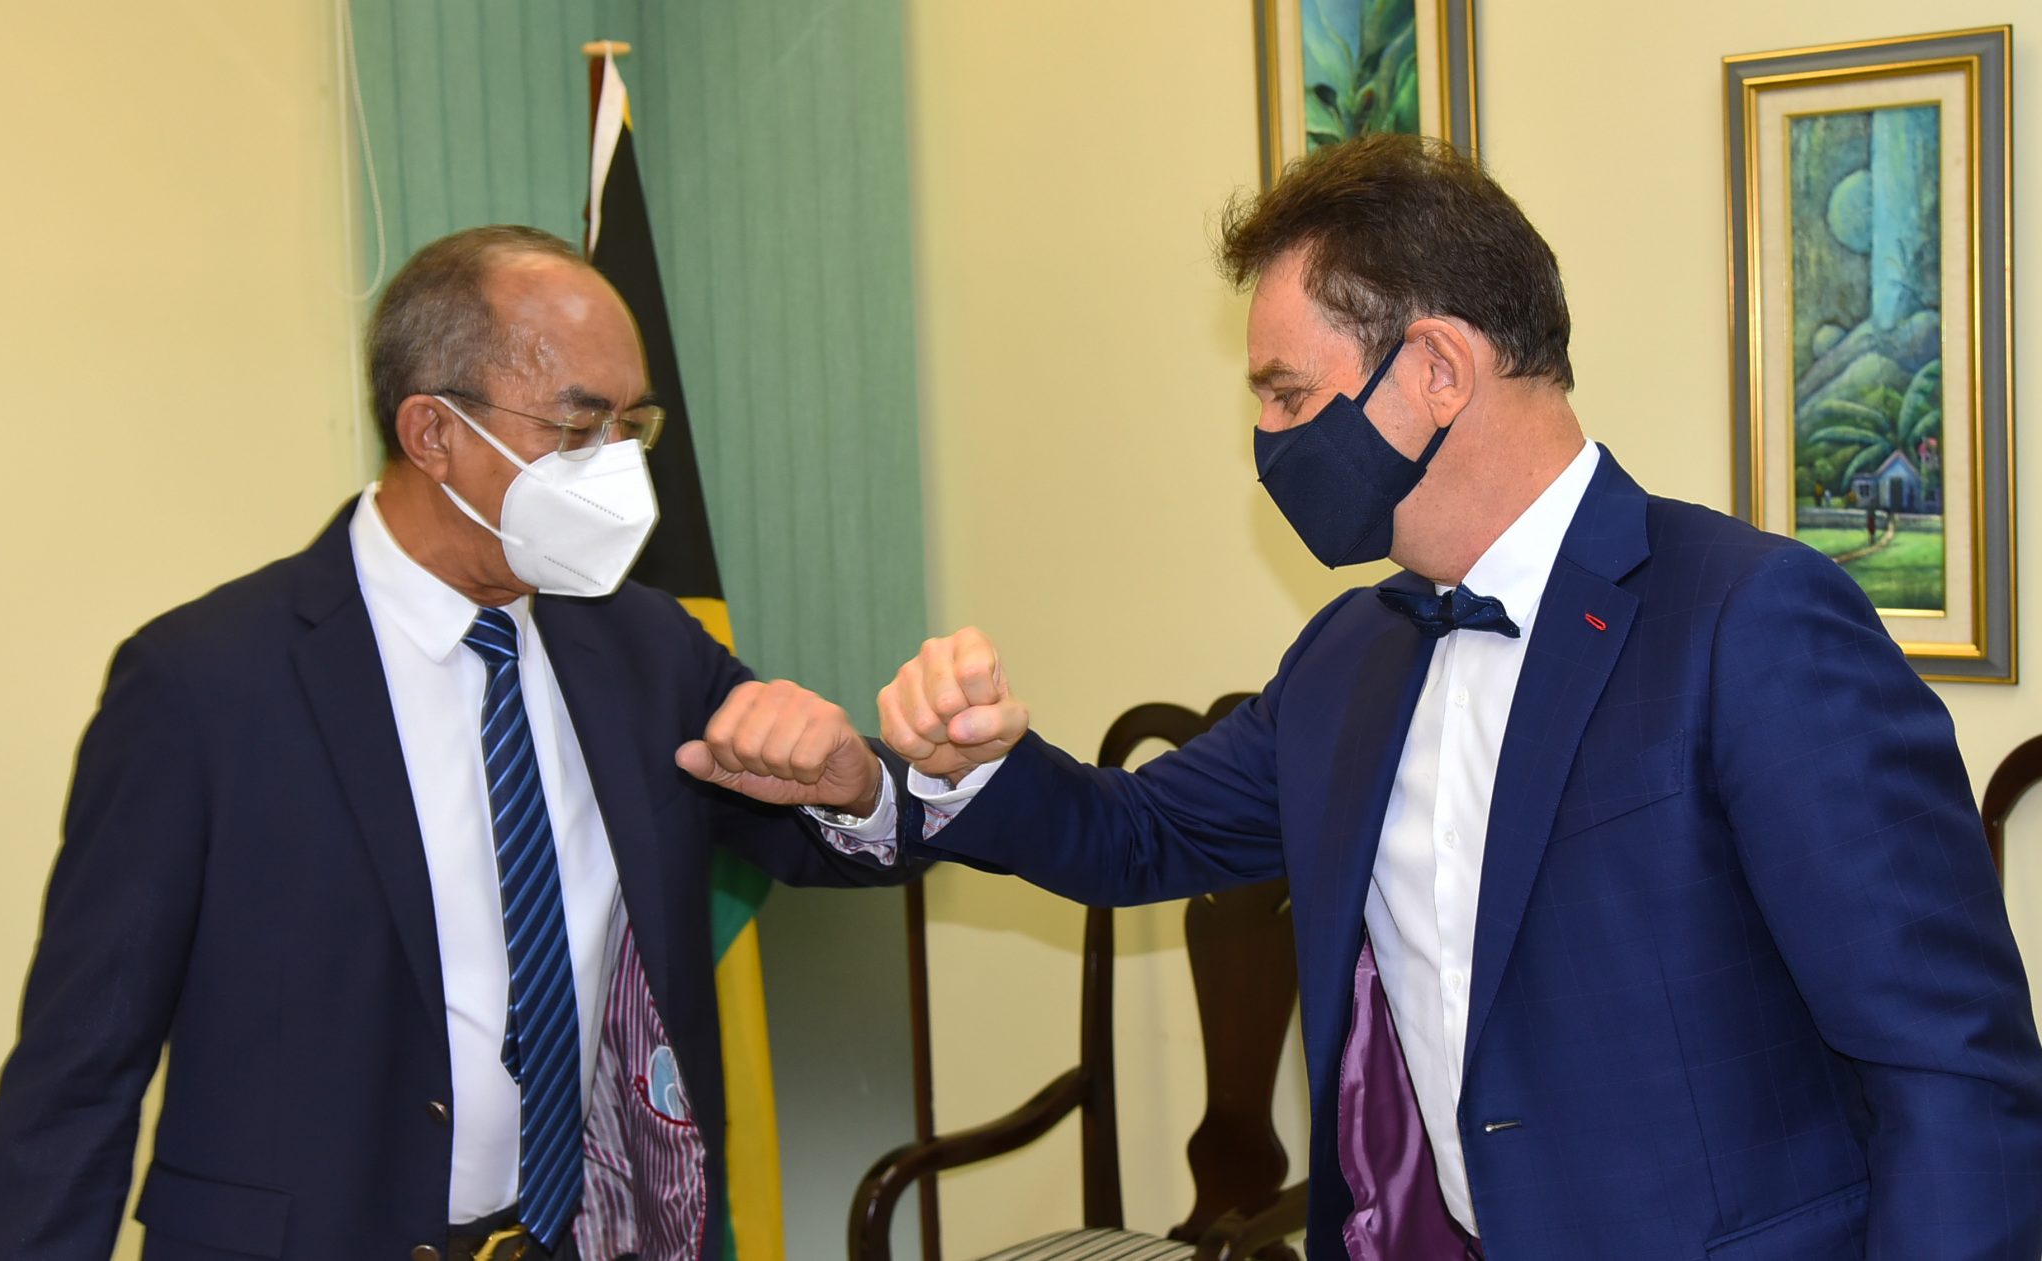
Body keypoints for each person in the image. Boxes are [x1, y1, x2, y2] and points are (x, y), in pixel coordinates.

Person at [852, 137, 2042, 1258]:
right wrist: (971, 759)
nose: (1262, 439)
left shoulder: (1750, 621)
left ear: (1432, 370)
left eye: (1283, 395)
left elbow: (1948, 1068)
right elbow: (1137, 833)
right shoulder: (1345, 658)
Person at [0, 226, 914, 1260]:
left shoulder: (647, 648)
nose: (617, 469)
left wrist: (862, 777)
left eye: (633, 425)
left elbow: (836, 838)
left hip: (604, 1233)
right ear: (432, 433)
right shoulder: (200, 683)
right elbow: (81, 1066)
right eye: (577, 428)